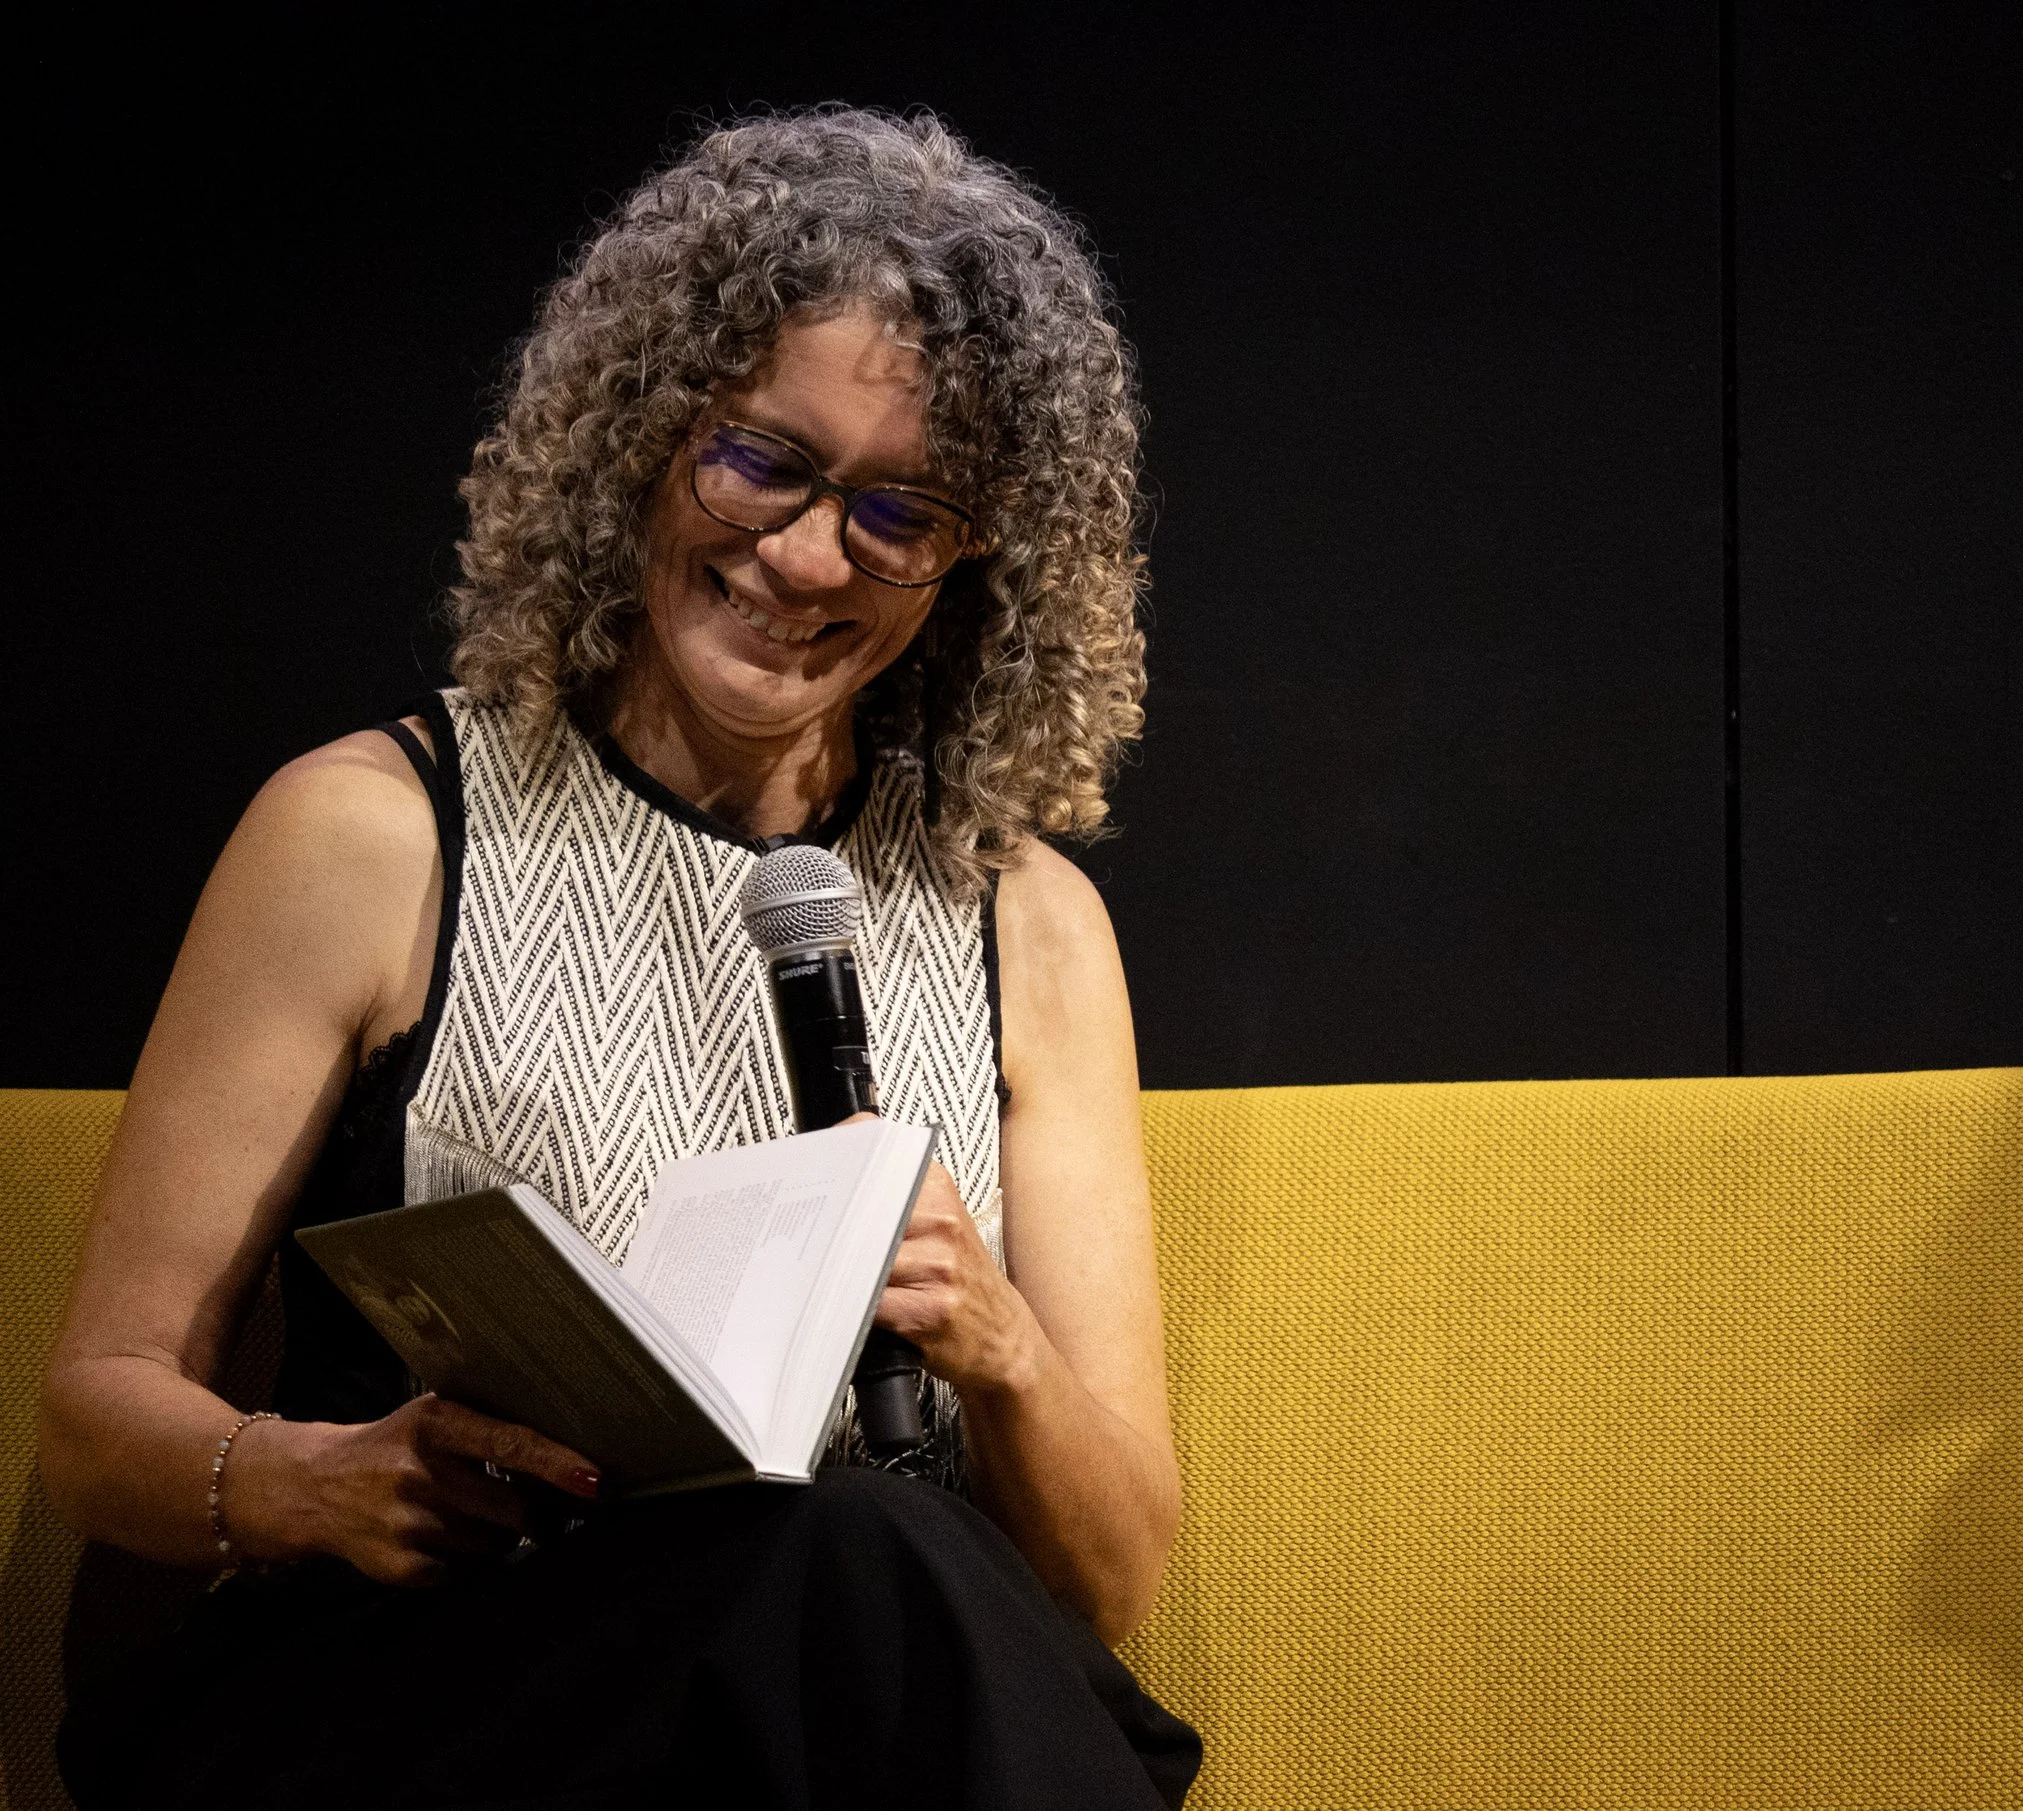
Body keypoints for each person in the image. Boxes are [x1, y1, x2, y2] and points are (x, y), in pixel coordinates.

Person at [36, 107, 1199, 1810]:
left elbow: (1107, 1589)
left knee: (855, 1556)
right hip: (427, 1693)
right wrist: (312, 1479)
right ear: (644, 438)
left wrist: (1002, 1343)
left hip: (849, 1706)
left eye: (898, 511)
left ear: (970, 567)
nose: (806, 557)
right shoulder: (376, 831)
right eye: (759, 461)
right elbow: (93, 1414)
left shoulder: (1020, 918)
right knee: (853, 1561)